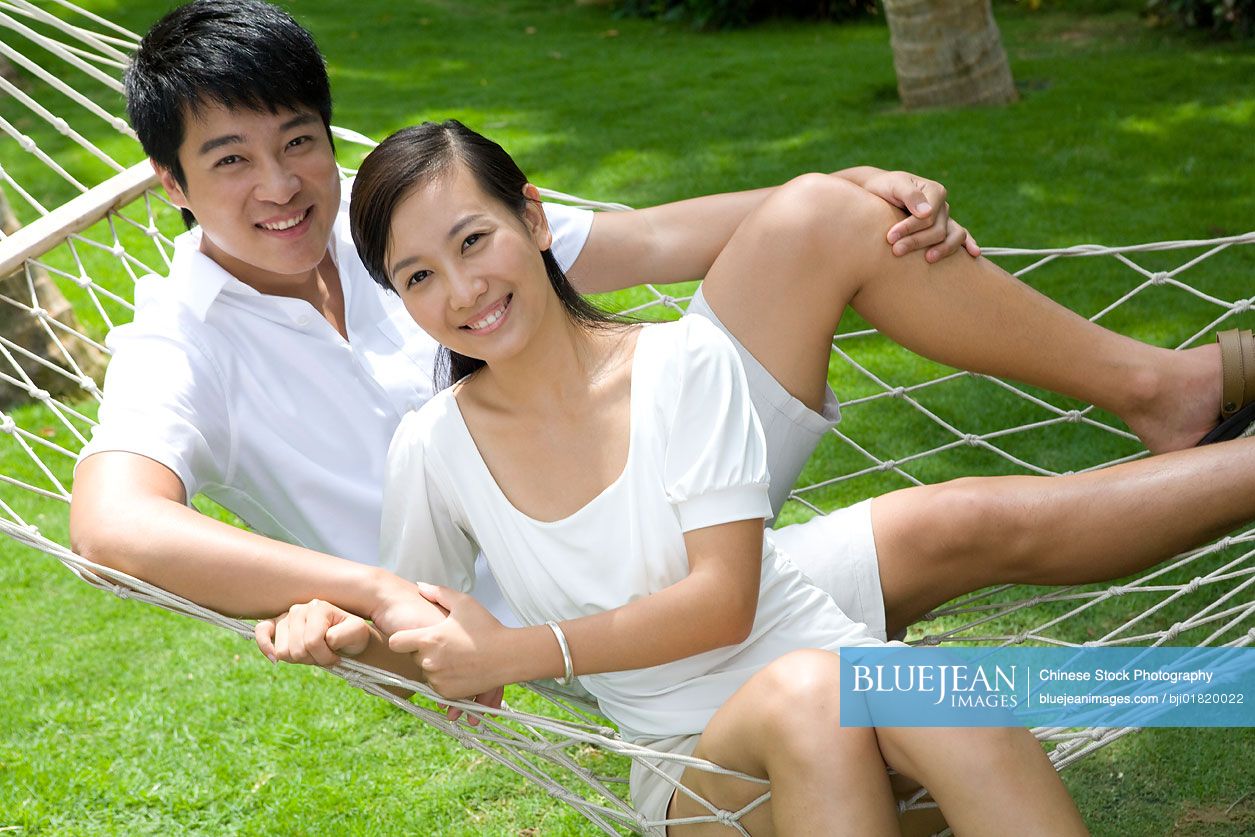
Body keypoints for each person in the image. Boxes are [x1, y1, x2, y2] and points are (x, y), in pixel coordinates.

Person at [71, 0, 1255, 702]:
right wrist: (368, 592)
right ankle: (1187, 387)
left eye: (299, 141)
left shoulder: (393, 221)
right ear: (170, 184)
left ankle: (1174, 386)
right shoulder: (180, 338)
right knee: (963, 527)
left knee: (826, 220)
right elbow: (113, 529)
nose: (279, 186)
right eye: (229, 161)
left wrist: (844, 185)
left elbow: (641, 239)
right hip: (530, 619)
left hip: (645, 487)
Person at [282, 119, 1089, 835]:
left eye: (472, 241)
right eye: (418, 276)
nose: (462, 291)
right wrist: (340, 636)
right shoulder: (436, 447)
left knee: (944, 689)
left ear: (531, 218)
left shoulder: (682, 363)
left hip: (833, 677)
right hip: (696, 772)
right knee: (809, 696)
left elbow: (724, 600)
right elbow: (419, 652)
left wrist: (513, 653)